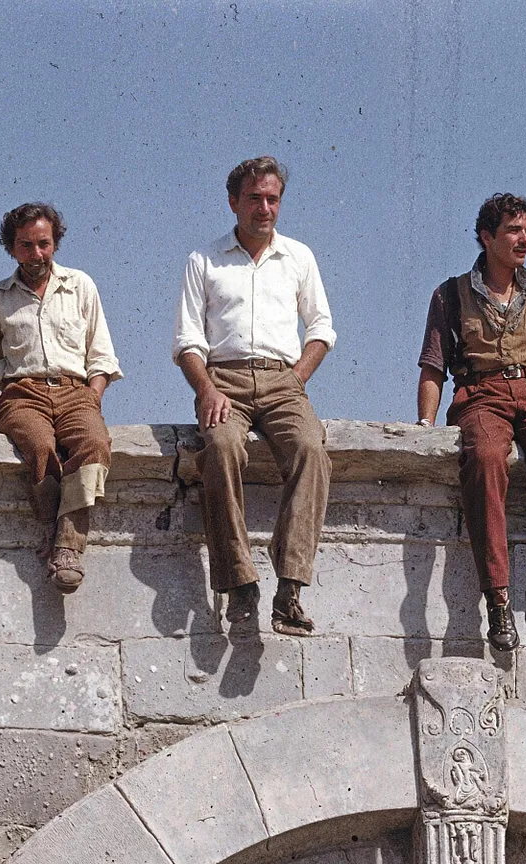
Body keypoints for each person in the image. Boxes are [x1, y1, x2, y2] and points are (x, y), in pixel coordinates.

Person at [173, 156, 335, 639]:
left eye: (273, 199)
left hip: (283, 378)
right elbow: (187, 340)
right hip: (224, 379)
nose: (264, 208)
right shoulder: (204, 260)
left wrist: (298, 376)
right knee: (220, 448)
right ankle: (239, 581)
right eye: (254, 198)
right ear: (233, 202)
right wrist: (206, 389)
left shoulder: (299, 257)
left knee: (312, 449)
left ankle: (290, 585)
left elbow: (322, 327)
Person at [416, 191, 526, 660]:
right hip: (480, 392)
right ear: (487, 237)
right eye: (513, 230)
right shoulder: (450, 294)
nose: (523, 238)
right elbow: (433, 366)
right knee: (486, 458)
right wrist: (425, 424)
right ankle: (499, 598)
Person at [0, 202, 122, 593]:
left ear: (55, 243)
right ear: (11, 248)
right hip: (23, 395)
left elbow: (101, 356)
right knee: (39, 447)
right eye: (25, 245)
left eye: (43, 244)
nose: (35, 254)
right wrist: (20, 376)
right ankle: (57, 534)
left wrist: (92, 396)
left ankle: (65, 546)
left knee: (93, 445)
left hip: (76, 392)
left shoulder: (80, 286)